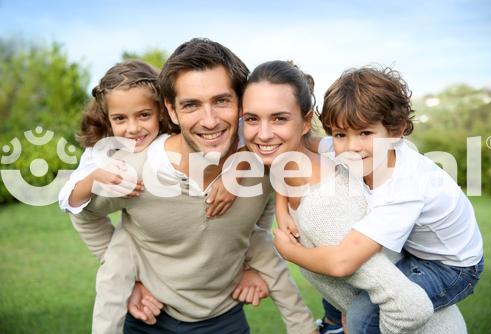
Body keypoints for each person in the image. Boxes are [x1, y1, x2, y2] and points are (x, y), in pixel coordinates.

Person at [69, 38, 317, 334]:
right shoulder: (133, 171)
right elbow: (83, 213)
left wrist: (252, 268)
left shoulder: (263, 161)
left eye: (221, 101)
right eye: (191, 105)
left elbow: (261, 210)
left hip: (225, 317)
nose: (209, 121)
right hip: (149, 318)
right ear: (170, 111)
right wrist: (128, 276)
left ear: (241, 104)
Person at [273, 66, 484, 333]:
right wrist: (282, 208)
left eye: (365, 133)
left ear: (395, 131)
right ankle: (334, 322)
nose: (351, 147)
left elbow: (342, 262)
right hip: (415, 248)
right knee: (352, 282)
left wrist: (290, 251)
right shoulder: (352, 148)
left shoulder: (402, 188)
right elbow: (294, 148)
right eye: (339, 134)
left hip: (452, 267)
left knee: (363, 315)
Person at [58, 60, 246, 333]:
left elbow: (245, 139)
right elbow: (70, 200)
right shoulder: (103, 151)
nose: (133, 129)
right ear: (107, 119)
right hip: (129, 237)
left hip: (178, 250)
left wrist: (235, 172)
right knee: (112, 279)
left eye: (143, 115)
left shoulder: (181, 136)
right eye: (120, 118)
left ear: (161, 111)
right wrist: (94, 177)